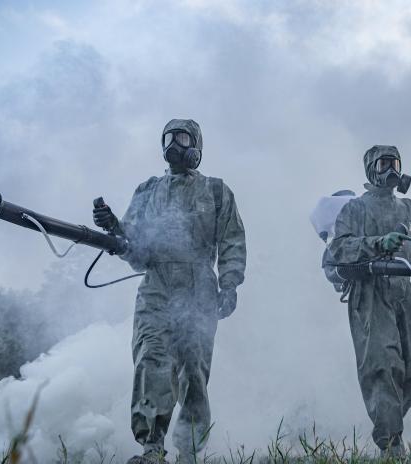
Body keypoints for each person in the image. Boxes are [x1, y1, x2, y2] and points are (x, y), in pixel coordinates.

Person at [93, 119, 246, 464]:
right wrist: (115, 227)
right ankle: (152, 448)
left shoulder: (216, 191)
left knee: (194, 371)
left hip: (199, 286)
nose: (174, 145)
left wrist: (230, 283)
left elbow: (232, 239)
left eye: (182, 138)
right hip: (157, 286)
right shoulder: (148, 190)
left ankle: (188, 452)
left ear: (196, 146)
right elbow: (136, 250)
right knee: (152, 358)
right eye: (168, 139)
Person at [328, 145, 411, 456]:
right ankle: (391, 444)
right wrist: (378, 243)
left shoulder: (410, 210)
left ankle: (387, 422)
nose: (391, 170)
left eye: (395, 164)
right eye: (384, 164)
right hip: (370, 292)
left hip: (404, 292)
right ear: (371, 170)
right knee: (383, 367)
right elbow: (339, 249)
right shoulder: (355, 209)